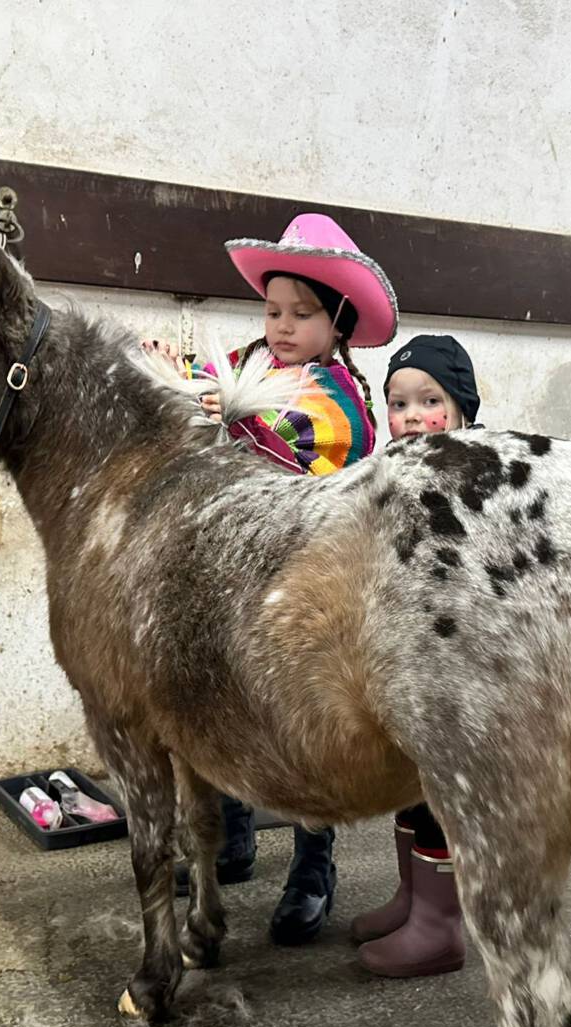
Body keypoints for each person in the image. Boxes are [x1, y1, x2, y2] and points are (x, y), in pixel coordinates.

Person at [151, 212, 399, 944]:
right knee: (221, 702)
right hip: (229, 574)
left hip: (306, 579)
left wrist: (214, 409)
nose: (283, 326)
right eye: (273, 310)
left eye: (302, 314)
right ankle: (230, 839)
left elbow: (289, 434)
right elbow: (195, 388)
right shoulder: (250, 361)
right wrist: (169, 370)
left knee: (302, 723)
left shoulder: (340, 396)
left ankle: (313, 864)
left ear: (339, 323)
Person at [350, 334, 479, 977]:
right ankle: (412, 898)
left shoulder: (468, 478)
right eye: (397, 403)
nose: (409, 417)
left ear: (461, 413)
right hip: (407, 658)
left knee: (437, 791)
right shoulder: (394, 473)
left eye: (430, 401)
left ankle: (440, 927)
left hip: (450, 668)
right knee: (409, 784)